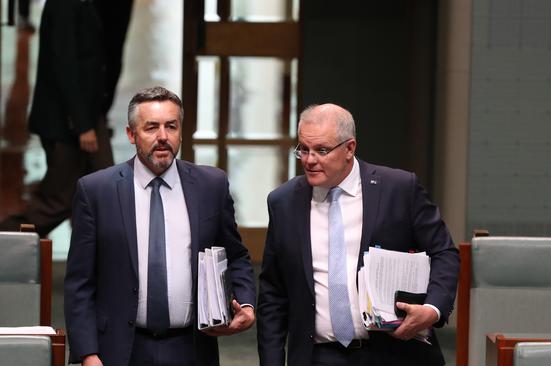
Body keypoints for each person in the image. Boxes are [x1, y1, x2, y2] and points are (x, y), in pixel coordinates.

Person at [64, 86, 256, 366]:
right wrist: (88, 354)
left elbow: (236, 255)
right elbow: (80, 282)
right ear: (131, 134)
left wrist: (247, 303)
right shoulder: (96, 191)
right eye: (151, 127)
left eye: (171, 126)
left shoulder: (210, 186)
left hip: (191, 348)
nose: (163, 137)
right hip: (119, 350)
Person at [257, 103, 460, 366]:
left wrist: (432, 310)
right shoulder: (283, 202)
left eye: (321, 150)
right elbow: (273, 293)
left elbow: (444, 253)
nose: (309, 160)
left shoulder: (398, 189)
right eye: (303, 149)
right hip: (317, 355)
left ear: (349, 148)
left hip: (394, 352)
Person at [0, 0, 113, 236]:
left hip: (88, 116)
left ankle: (105, 264)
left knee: (108, 191)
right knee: (56, 202)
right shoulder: (64, 4)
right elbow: (65, 66)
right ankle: (8, 240)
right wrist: (82, 125)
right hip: (68, 123)